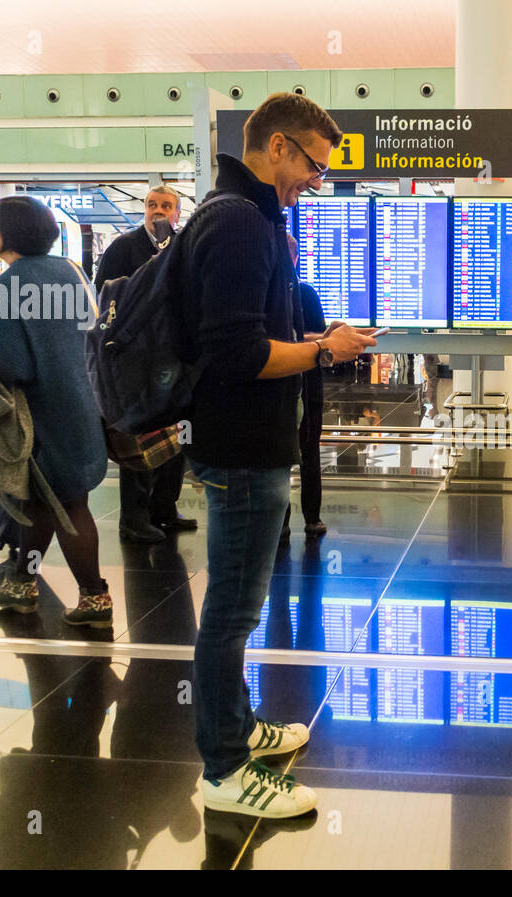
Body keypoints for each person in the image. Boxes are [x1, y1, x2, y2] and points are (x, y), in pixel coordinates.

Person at [182, 92, 378, 818]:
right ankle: (223, 772)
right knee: (230, 615)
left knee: (238, 609)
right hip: (239, 450)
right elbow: (233, 352)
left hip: (249, 445)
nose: (314, 182)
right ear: (275, 148)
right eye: (312, 167)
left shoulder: (247, 215)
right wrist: (324, 348)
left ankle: (235, 729)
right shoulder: (238, 223)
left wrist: (319, 341)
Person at [0, 196, 112, 627]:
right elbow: (93, 336)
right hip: (84, 403)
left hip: (42, 414)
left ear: (9, 231)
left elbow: (16, 366)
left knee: (67, 506)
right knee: (46, 503)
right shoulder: (71, 272)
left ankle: (95, 597)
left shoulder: (5, 287)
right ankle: (22, 581)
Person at [94, 184, 196, 543]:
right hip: (135, 358)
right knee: (137, 438)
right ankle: (134, 518)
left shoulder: (182, 247)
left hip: (173, 357)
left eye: (165, 205)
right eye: (152, 204)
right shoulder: (123, 248)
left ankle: (165, 508)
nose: (157, 210)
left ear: (177, 214)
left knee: (176, 435)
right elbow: (103, 297)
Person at [281, 233, 328, 541]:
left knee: (309, 452)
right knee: (281, 457)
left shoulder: (305, 294)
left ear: (295, 258)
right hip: (284, 390)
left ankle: (311, 517)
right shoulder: (274, 294)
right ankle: (281, 522)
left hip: (307, 386)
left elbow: (321, 337)